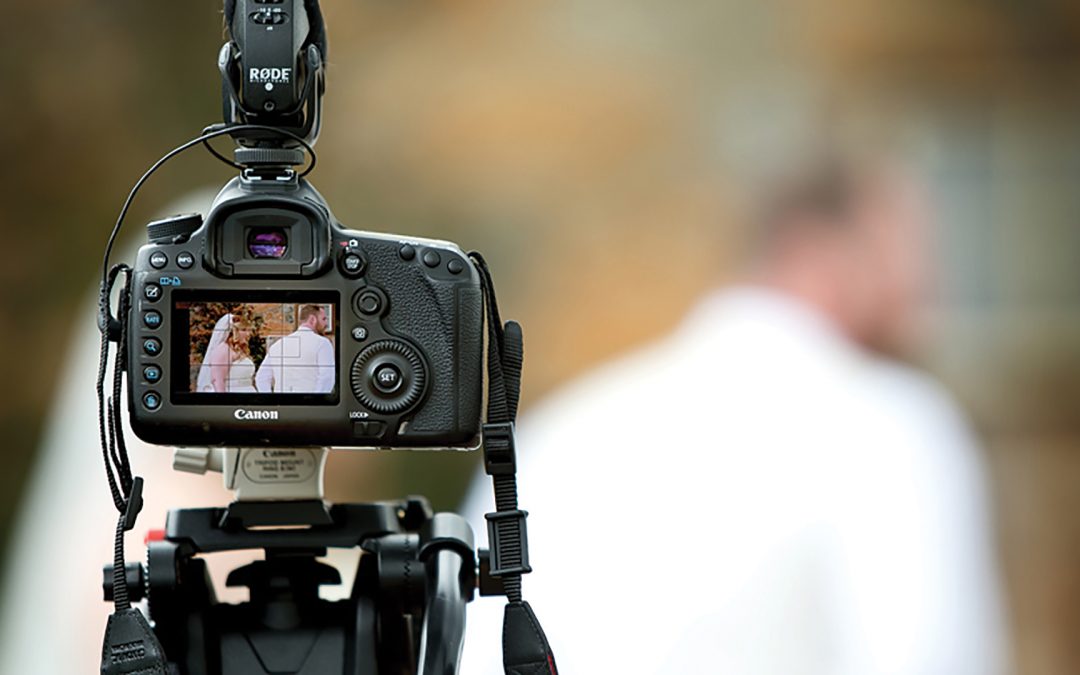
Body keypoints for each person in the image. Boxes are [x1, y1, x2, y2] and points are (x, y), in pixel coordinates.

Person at [460, 158, 1012, 674]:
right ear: (816, 247)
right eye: (910, 250)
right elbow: (930, 655)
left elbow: (469, 645)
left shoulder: (564, 428)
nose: (930, 287)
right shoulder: (892, 426)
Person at [255, 304, 335, 394]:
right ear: (313, 319)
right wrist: (316, 402)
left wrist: (271, 401)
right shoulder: (322, 343)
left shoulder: (278, 345)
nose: (326, 324)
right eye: (323, 319)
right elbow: (327, 377)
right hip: (309, 403)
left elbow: (261, 378)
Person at [195, 312, 257, 393]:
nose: (248, 334)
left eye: (249, 330)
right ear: (233, 332)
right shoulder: (223, 350)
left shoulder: (240, 350)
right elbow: (217, 381)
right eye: (243, 330)